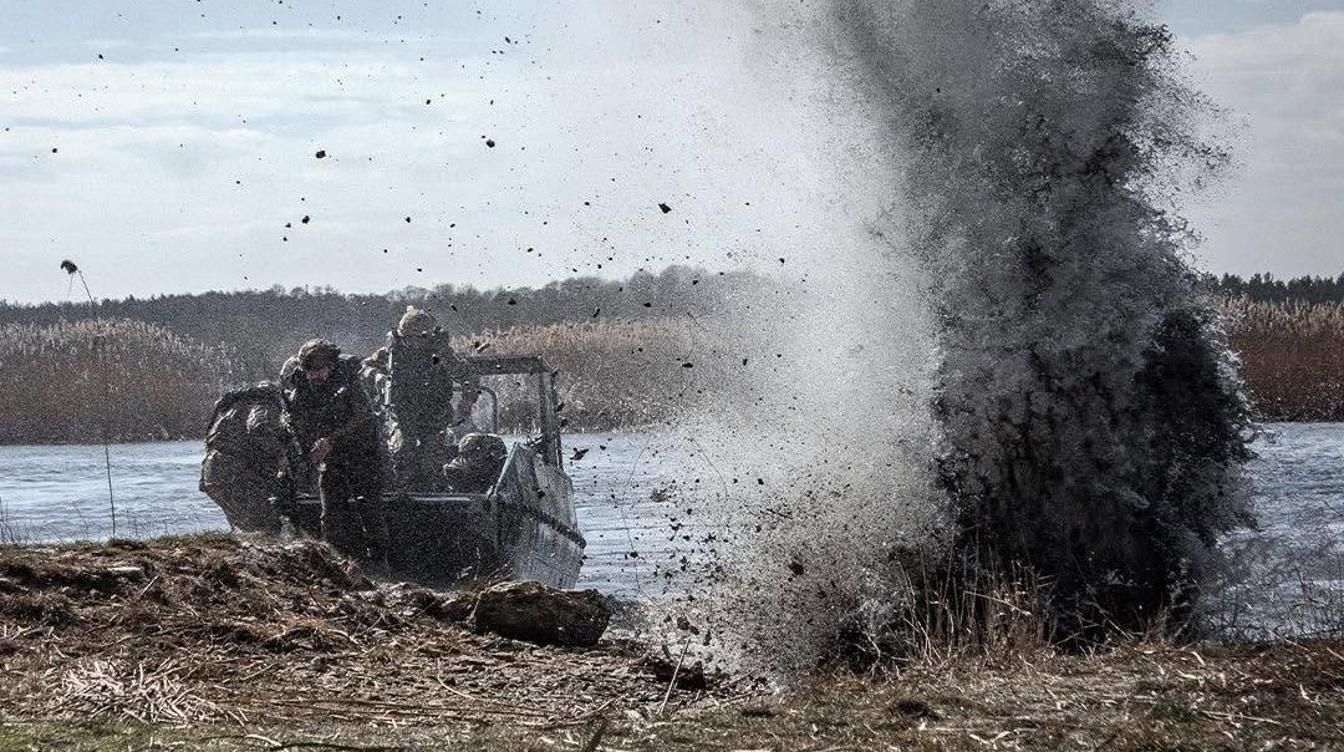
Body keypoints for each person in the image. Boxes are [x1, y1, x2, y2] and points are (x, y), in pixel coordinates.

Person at [283, 338, 387, 565]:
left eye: (319, 370)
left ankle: (380, 566)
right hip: (332, 458)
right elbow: (300, 423)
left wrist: (331, 440)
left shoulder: (349, 381)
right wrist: (308, 449)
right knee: (330, 515)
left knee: (370, 511)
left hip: (362, 453)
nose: (314, 376)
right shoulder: (301, 387)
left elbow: (363, 418)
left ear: (330, 366)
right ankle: (336, 564)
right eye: (309, 371)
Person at [385, 307, 480, 489]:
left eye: (418, 338)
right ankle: (402, 497)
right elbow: (364, 369)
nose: (413, 343)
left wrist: (467, 399)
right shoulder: (392, 353)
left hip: (434, 417)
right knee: (402, 454)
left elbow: (468, 375)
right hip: (402, 417)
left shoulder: (441, 353)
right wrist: (379, 379)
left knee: (433, 463)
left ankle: (433, 499)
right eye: (408, 338)